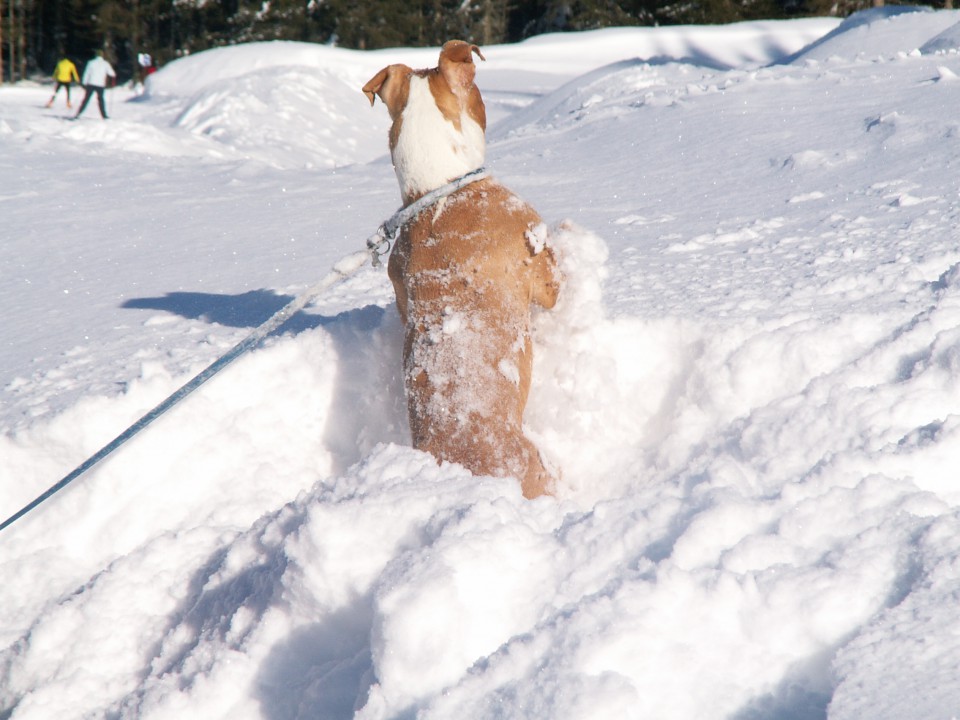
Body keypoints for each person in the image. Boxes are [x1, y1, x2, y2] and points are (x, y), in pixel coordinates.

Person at [74, 50, 116, 120]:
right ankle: (104, 115)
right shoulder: (105, 63)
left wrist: (84, 82)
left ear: (96, 55)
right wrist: (113, 78)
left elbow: (87, 73)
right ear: (102, 56)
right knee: (101, 100)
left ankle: (79, 113)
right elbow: (112, 73)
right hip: (100, 84)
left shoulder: (91, 63)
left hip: (91, 83)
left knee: (86, 99)